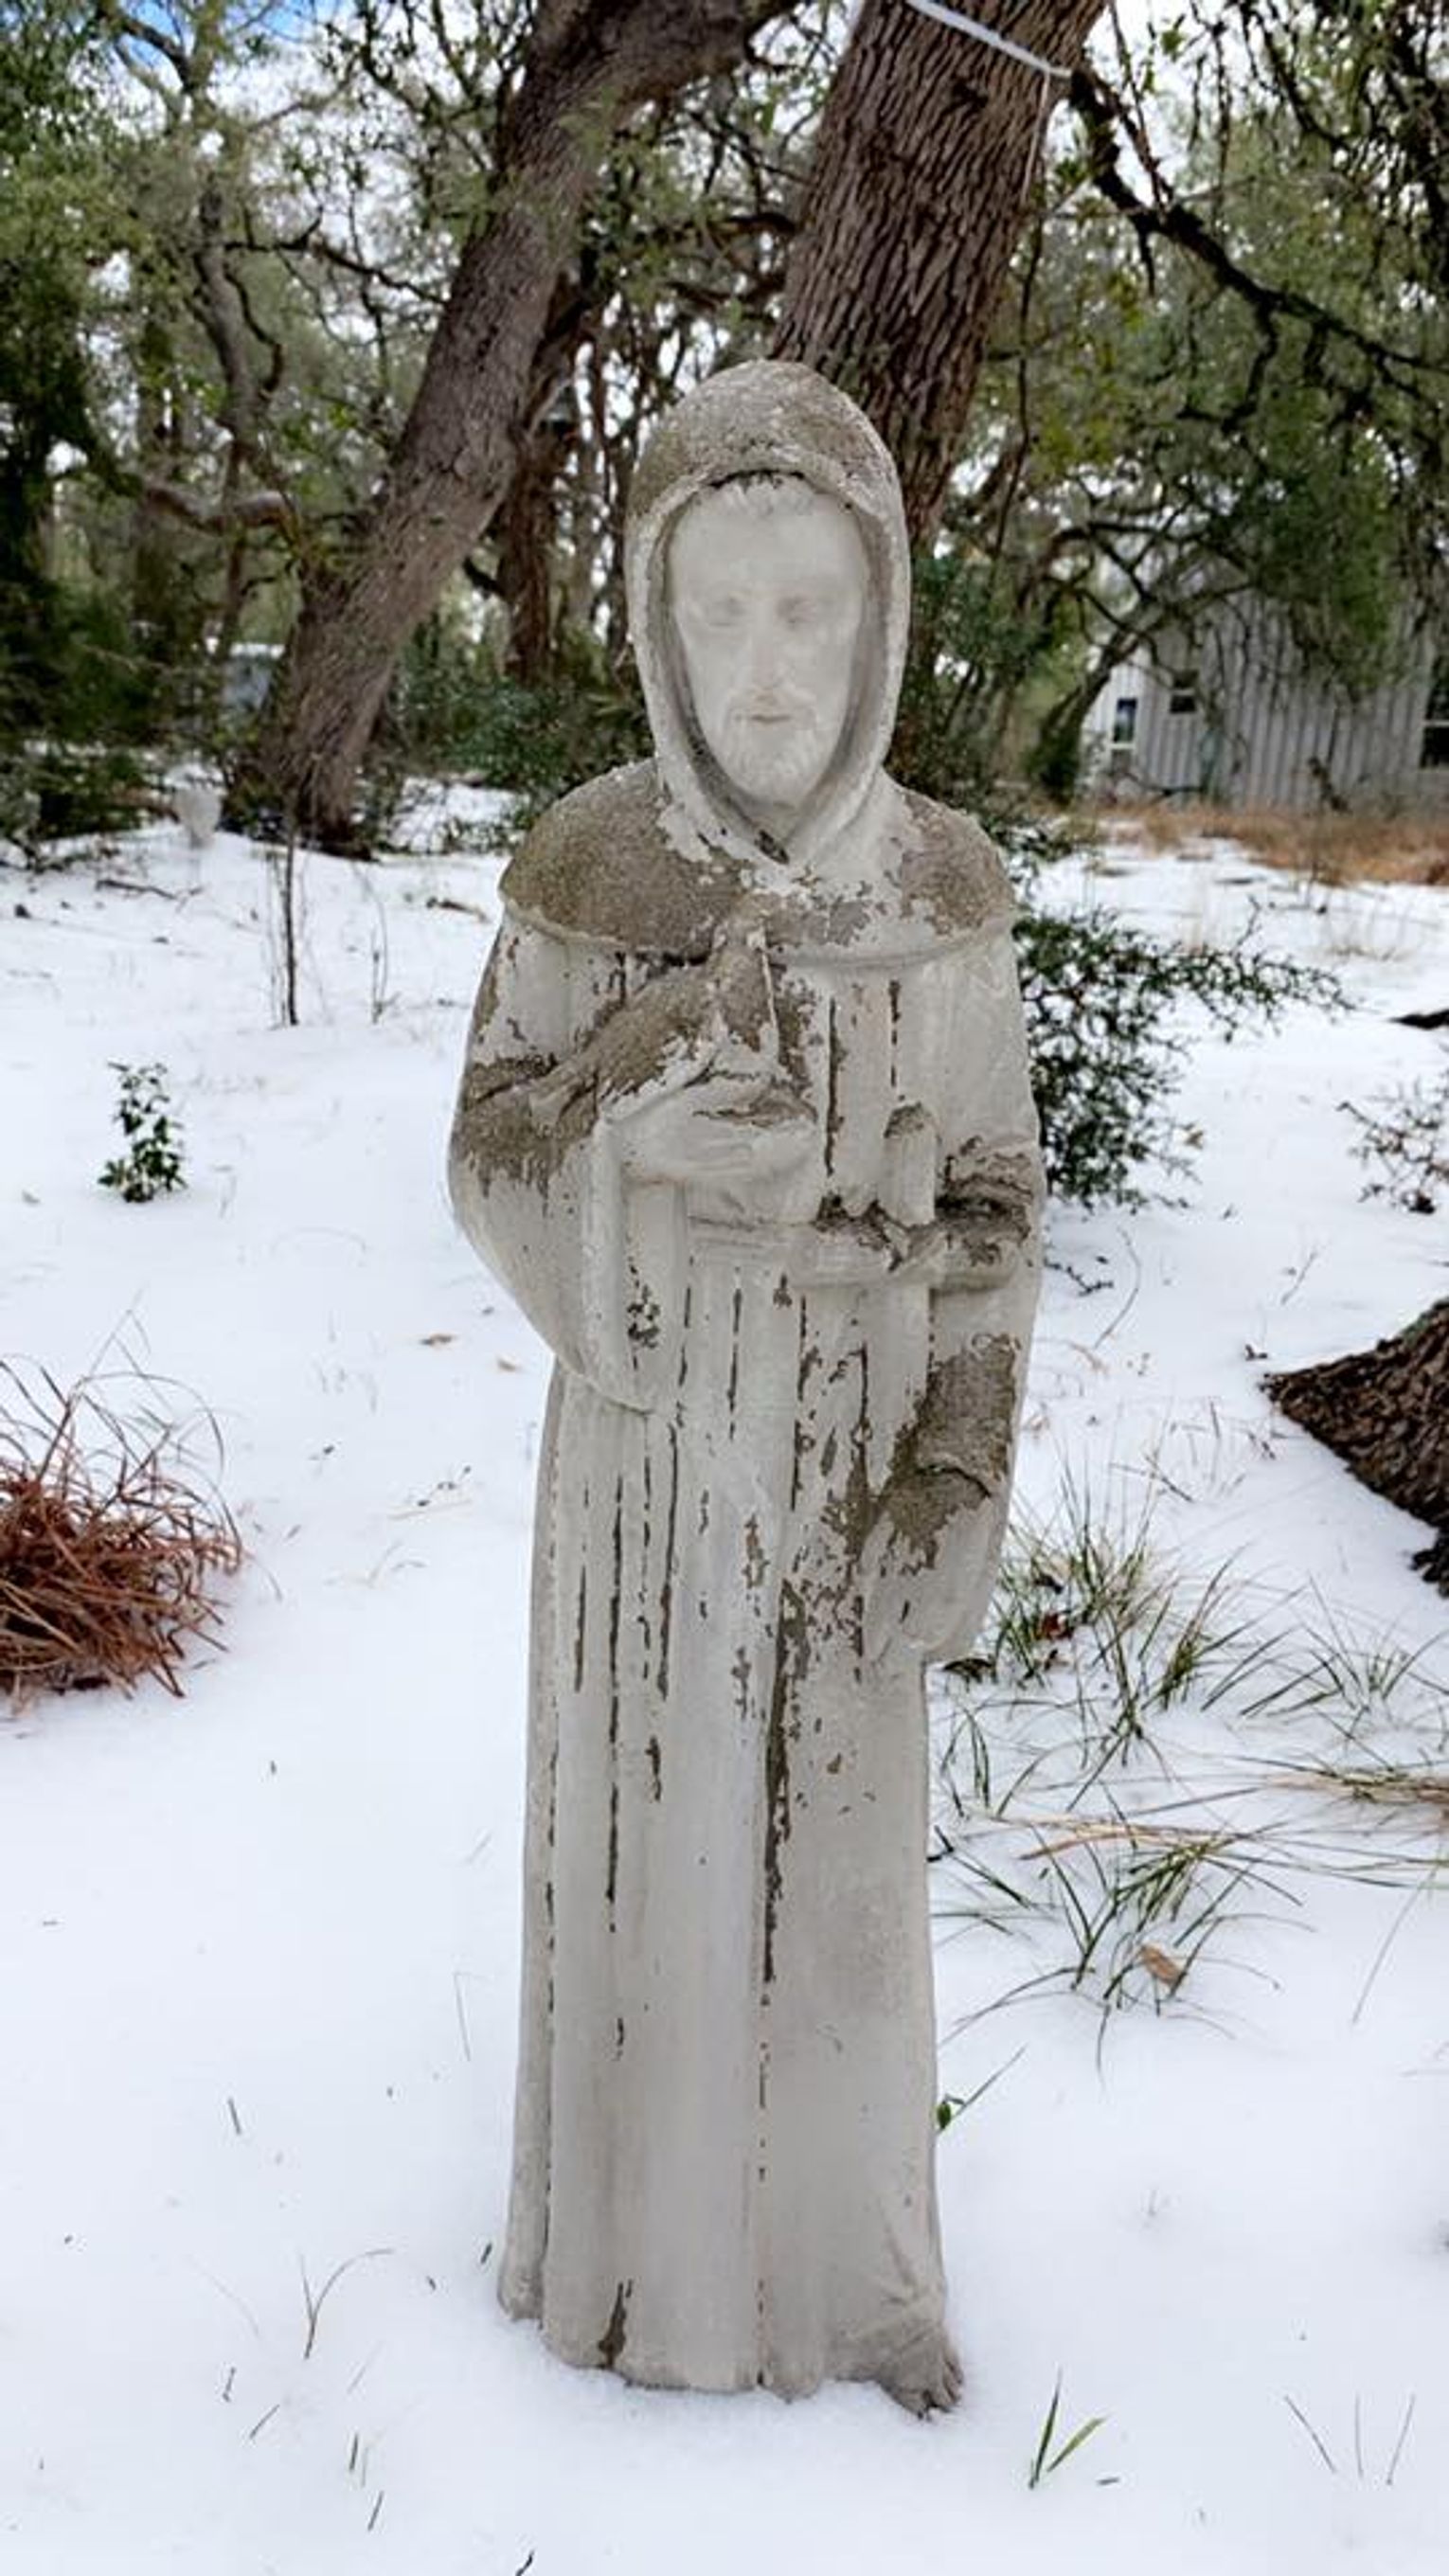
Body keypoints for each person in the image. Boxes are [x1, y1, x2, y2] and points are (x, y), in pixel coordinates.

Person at [448, 361, 1043, 2412]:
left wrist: (953, 1467)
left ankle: (835, 2296)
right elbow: (485, 1144)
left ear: (882, 618)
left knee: (838, 1869)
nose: (767, 668)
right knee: (650, 1859)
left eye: (810, 611)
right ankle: (635, 2275)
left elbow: (994, 1201)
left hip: (854, 1470)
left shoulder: (942, 898)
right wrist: (617, 1141)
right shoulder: (584, 869)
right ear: (650, 616)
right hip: (641, 1476)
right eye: (719, 612)